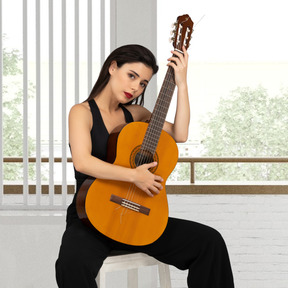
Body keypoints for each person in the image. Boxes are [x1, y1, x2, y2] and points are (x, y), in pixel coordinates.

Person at [55, 44, 234, 288]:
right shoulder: (81, 112)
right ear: (112, 67)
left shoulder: (136, 114)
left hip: (139, 217)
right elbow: (83, 161)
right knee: (71, 264)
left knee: (209, 242)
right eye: (132, 76)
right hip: (91, 218)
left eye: (143, 83)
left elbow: (180, 134)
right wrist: (133, 175)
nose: (135, 87)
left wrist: (181, 84)